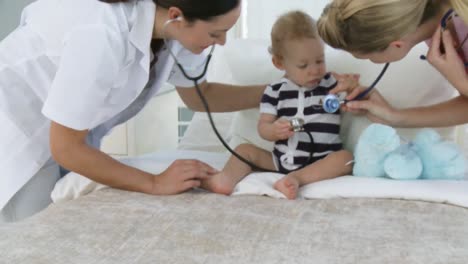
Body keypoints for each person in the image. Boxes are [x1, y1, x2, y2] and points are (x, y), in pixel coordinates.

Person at [0, 0, 271, 222]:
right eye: (215, 33)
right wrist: (155, 183)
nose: (222, 42)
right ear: (176, 15)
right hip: (17, 137)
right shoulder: (100, 33)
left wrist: (275, 93)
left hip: (67, 138)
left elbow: (202, 97)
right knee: (33, 235)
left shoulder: (172, 31)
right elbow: (66, 148)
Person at [201, 11, 354, 200]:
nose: (314, 70)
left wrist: (351, 87)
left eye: (319, 61)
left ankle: (296, 178)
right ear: (279, 63)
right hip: (280, 160)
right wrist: (274, 131)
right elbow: (263, 127)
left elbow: (353, 99)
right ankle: (224, 179)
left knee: (346, 158)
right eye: (303, 65)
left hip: (322, 160)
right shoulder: (274, 91)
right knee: (244, 150)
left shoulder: (331, 83)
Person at [317, 0, 468, 128]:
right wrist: (395, 116)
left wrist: (462, 83)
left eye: (368, 58)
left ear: (396, 44)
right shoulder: (438, 27)